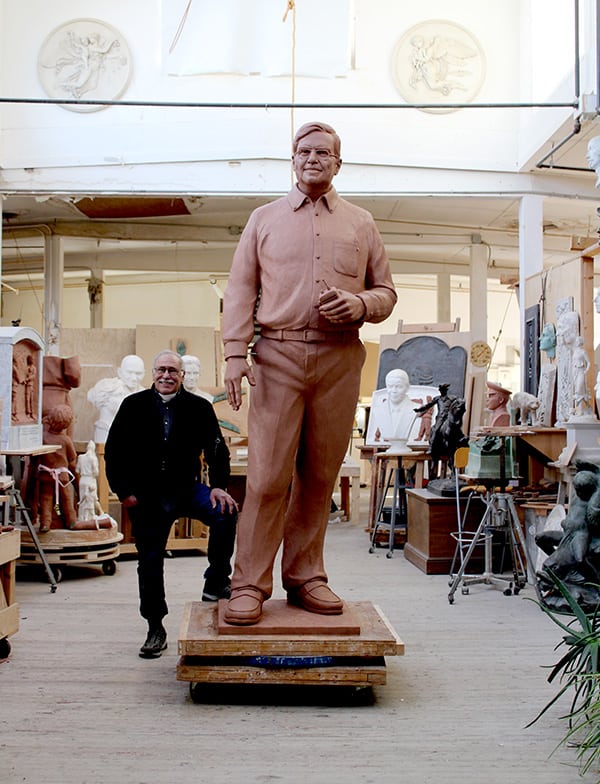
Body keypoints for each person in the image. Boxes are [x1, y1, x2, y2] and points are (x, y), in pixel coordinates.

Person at [221, 121, 397, 626]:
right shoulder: (263, 219)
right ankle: (248, 583)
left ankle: (305, 576)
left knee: (320, 476)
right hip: (277, 356)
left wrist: (361, 304)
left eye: (323, 152)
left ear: (338, 163)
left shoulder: (362, 223)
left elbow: (386, 292)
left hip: (339, 359)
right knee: (266, 477)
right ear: (293, 160)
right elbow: (240, 288)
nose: (313, 158)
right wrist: (234, 353)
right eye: (304, 151)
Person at [104, 349, 238, 658]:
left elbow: (217, 449)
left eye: (172, 371)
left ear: (182, 376)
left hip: (186, 489)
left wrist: (218, 486)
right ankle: (155, 627)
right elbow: (114, 451)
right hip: (148, 495)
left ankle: (216, 581)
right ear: (153, 374)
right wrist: (124, 492)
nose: (166, 375)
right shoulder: (133, 406)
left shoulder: (199, 407)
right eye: (161, 370)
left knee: (225, 512)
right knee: (150, 561)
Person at [87, 354, 145, 443]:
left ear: (144, 373)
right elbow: (91, 396)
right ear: (120, 372)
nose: (134, 378)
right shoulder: (107, 387)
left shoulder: (145, 395)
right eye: (129, 372)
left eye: (138, 373)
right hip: (105, 435)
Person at [367, 368, 416, 445]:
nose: (394, 390)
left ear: (407, 388)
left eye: (399, 386)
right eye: (390, 386)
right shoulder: (378, 410)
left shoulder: (416, 408)